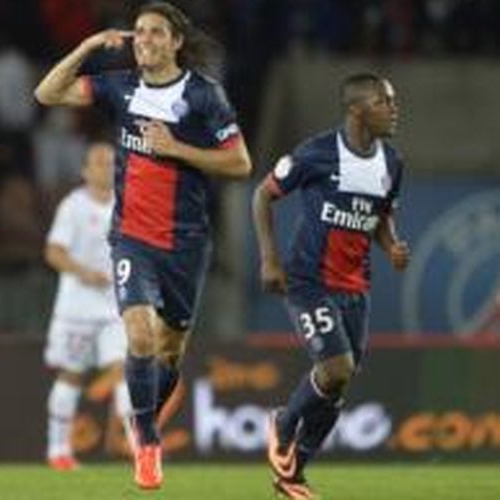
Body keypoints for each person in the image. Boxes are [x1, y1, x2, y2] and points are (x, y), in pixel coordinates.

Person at [35, 1, 253, 489]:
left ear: (176, 42)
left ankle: (145, 415)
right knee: (138, 337)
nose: (145, 41)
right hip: (131, 238)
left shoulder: (204, 96)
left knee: (170, 353)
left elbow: (239, 163)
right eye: (138, 33)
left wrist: (176, 149)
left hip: (186, 243)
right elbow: (46, 92)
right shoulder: (121, 85)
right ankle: (147, 441)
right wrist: (90, 47)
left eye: (156, 33)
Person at [252, 73, 410, 499]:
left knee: (339, 382)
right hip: (309, 281)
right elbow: (262, 196)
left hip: (356, 286)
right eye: (384, 101)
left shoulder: (392, 162)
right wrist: (269, 259)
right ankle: (284, 422)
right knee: (335, 369)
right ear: (357, 108)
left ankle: (292, 478)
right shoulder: (317, 153)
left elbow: (379, 216)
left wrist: (391, 244)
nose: (394, 109)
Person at [43, 141, 134, 471]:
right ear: (84, 170)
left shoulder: (127, 206)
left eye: (111, 163)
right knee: (72, 375)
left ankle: (139, 448)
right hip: (77, 309)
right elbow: (53, 252)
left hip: (114, 308)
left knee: (124, 369)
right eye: (98, 163)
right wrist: (83, 272)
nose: (106, 168)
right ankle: (58, 451)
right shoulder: (73, 207)